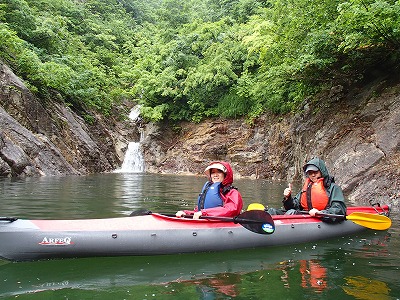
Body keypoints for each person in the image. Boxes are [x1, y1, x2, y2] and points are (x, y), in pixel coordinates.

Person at [269, 157, 346, 222]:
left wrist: (320, 213)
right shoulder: (308, 187)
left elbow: (339, 210)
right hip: (305, 216)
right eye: (310, 173)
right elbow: (294, 206)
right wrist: (288, 198)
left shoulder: (333, 188)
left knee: (291, 213)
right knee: (272, 211)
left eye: (315, 172)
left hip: (321, 217)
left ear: (322, 171)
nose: (313, 175)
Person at [176, 161, 243, 219]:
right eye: (213, 172)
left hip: (224, 224)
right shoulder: (208, 191)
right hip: (207, 221)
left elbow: (232, 210)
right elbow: (198, 212)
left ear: (225, 175)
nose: (215, 175)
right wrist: (186, 213)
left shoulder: (233, 193)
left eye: (219, 172)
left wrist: (204, 213)